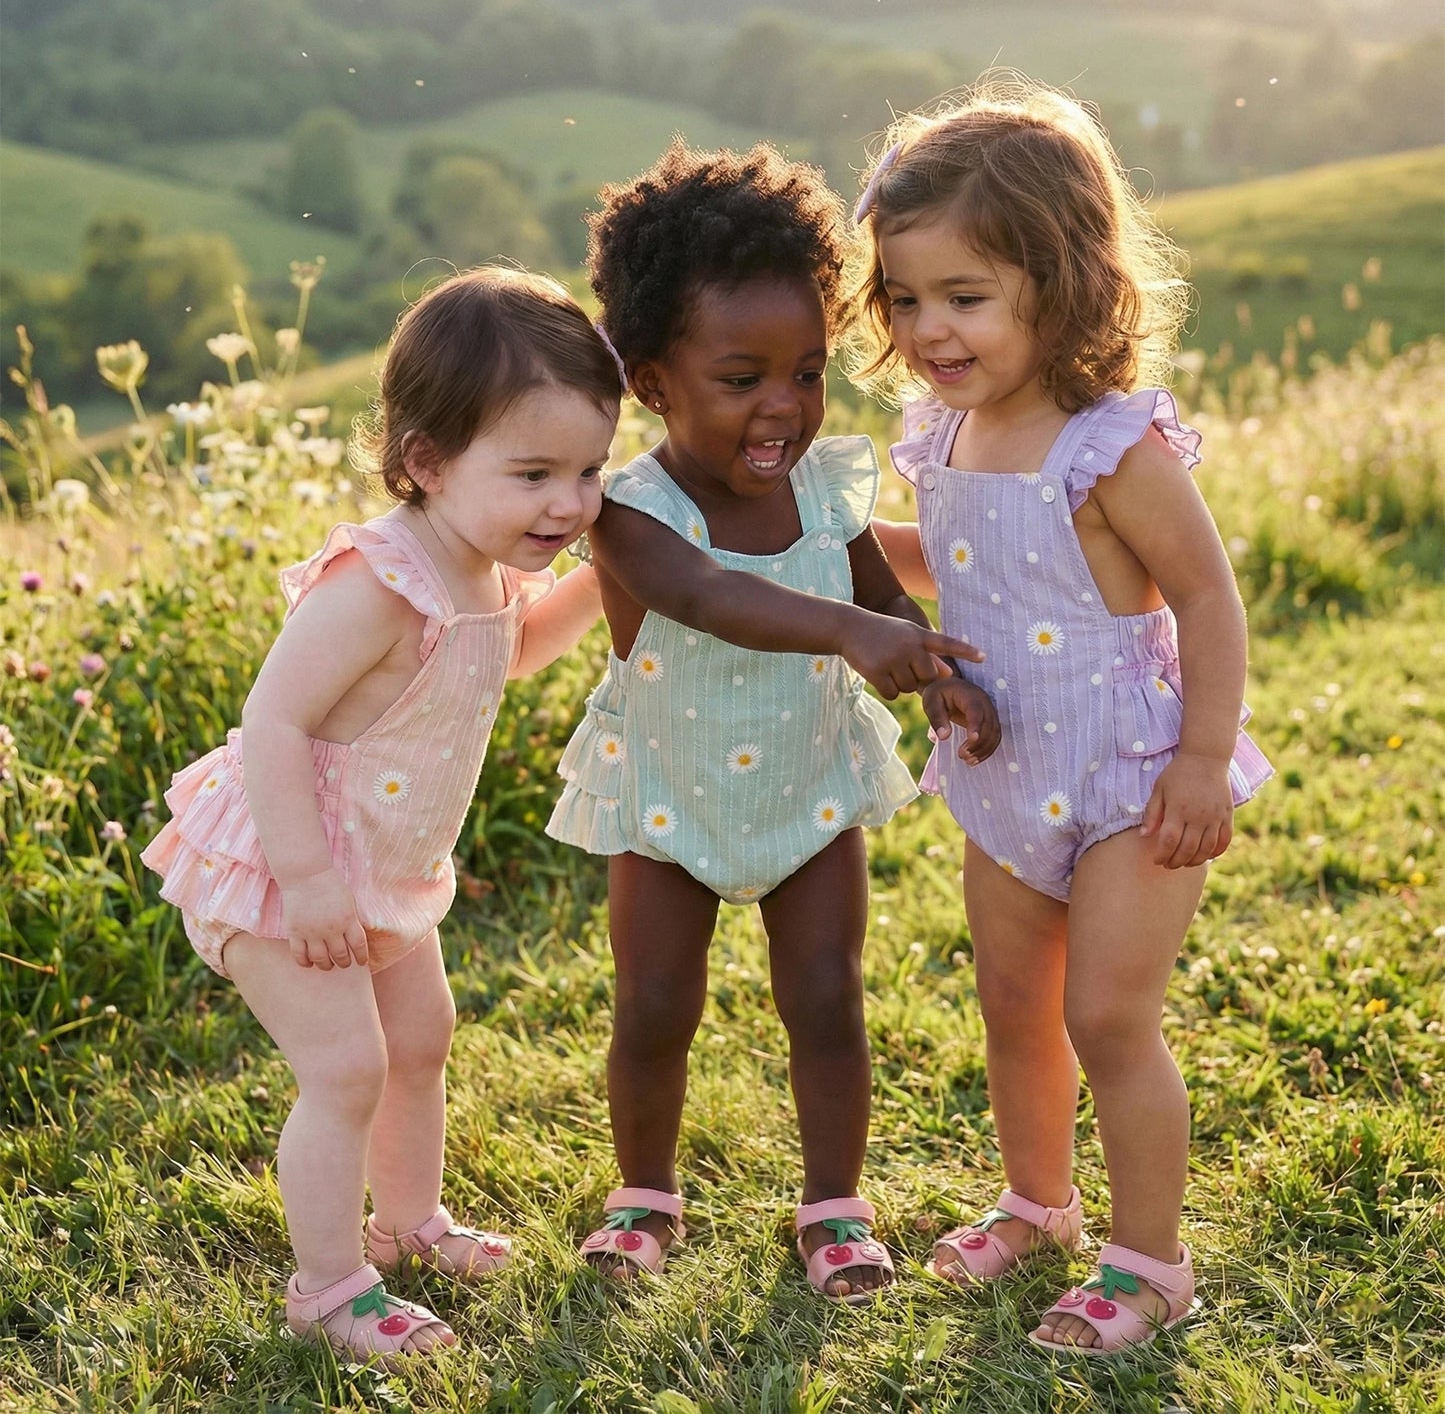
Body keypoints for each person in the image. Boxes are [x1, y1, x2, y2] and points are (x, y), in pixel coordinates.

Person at [849, 76, 1272, 1353]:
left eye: (964, 298)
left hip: (1130, 781)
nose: (930, 328)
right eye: (905, 298)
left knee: (1105, 1016)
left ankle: (1148, 1260)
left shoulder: (1109, 445)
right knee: (1012, 1002)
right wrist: (839, 543)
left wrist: (1203, 755)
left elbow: (1204, 595)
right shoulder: (948, 432)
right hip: (1003, 774)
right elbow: (961, 557)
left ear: (1061, 278)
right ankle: (1037, 1202)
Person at [141, 267, 620, 1366]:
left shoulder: (486, 569)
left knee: (420, 1039)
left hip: (388, 864)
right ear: (425, 462)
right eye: (534, 473)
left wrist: (601, 580)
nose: (568, 502)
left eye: (589, 471)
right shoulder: (375, 582)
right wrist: (308, 882)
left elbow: (511, 649)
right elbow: (271, 722)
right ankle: (328, 1288)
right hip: (285, 865)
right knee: (347, 1068)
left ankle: (408, 1225)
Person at [545, 141, 999, 1302]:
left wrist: (929, 661)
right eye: (741, 377)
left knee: (827, 998)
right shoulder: (629, 511)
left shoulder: (828, 484)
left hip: (805, 787)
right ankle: (642, 1191)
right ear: (651, 380)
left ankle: (833, 1204)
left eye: (806, 372)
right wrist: (853, 637)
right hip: (668, 794)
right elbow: (707, 597)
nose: (782, 407)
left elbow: (877, 593)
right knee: (652, 1004)